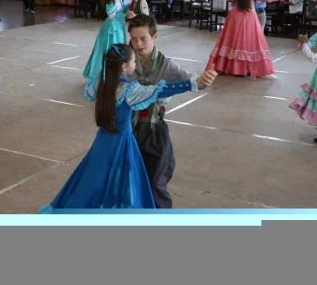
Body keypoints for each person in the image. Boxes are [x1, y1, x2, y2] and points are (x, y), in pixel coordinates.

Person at [40, 43, 217, 211]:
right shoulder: (128, 90)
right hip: (122, 145)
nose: (135, 64)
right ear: (124, 67)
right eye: (133, 62)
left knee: (94, 177)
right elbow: (161, 90)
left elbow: (96, 87)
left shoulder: (100, 85)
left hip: (102, 142)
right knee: (123, 181)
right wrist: (192, 83)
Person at [128, 15, 218, 208]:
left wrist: (203, 80)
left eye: (143, 38)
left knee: (155, 182)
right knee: (128, 179)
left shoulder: (165, 65)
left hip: (153, 131)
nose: (138, 44)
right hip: (129, 130)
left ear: (154, 37)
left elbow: (192, 81)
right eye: (134, 39)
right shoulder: (128, 61)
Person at [207, 0, 284, 77]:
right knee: (251, 41)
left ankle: (227, 66)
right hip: (249, 16)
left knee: (231, 40)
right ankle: (247, 67)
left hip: (234, 16)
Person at [83, 0, 132, 80]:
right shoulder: (111, 0)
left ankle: (117, 73)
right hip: (112, 28)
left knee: (119, 48)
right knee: (110, 50)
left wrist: (129, 6)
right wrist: (125, 14)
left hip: (118, 27)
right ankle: (106, 74)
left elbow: (120, 9)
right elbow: (111, 16)